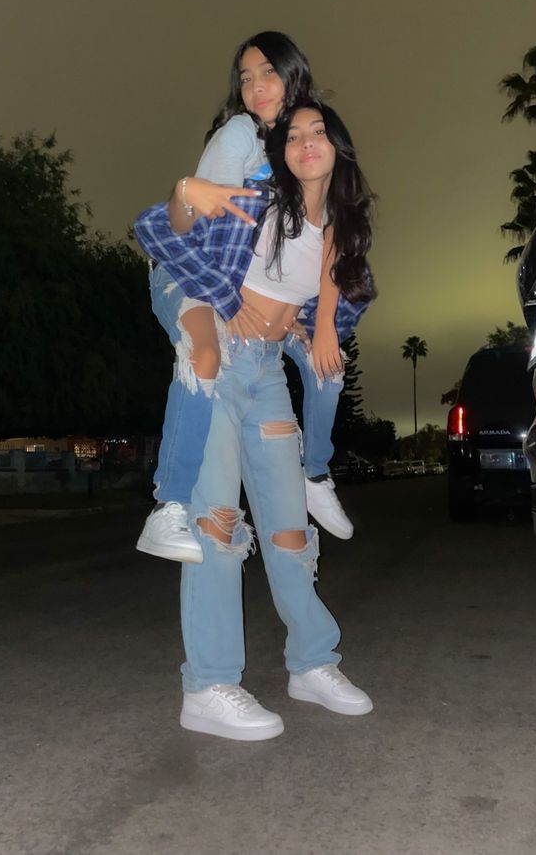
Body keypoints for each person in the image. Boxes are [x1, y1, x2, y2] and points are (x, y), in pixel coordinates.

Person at [137, 101, 377, 740]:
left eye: (318, 131)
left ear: (338, 148)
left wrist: (312, 327)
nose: (303, 141)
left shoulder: (340, 231)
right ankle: (209, 684)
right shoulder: (261, 200)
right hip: (221, 358)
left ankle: (312, 664)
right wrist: (216, 293)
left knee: (289, 531)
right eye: (292, 133)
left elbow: (338, 299)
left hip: (268, 374)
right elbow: (174, 231)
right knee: (215, 527)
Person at [135, 32, 363, 566]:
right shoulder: (241, 133)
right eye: (245, 77)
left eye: (268, 73)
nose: (255, 87)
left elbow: (319, 238)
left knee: (327, 364)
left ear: (293, 75)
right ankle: (165, 508)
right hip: (190, 272)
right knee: (205, 356)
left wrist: (314, 320)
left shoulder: (296, 147)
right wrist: (190, 193)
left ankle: (316, 474)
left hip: (250, 299)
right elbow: (200, 237)